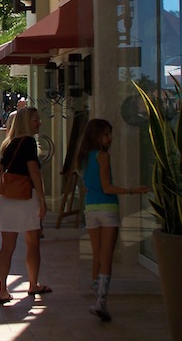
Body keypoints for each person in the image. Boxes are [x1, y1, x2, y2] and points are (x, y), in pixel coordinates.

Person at [75, 119, 148, 321]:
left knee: (97, 254)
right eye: (106, 134)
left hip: (90, 209)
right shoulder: (102, 156)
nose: (110, 138)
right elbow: (108, 188)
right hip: (107, 208)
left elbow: (87, 184)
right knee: (107, 255)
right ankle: (101, 301)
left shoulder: (82, 158)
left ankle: (96, 295)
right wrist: (132, 190)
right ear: (97, 136)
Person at [0, 106, 51, 305]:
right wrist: (43, 199)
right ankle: (33, 283)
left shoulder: (8, 144)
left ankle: (2, 290)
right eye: (36, 119)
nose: (39, 122)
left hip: (8, 198)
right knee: (32, 243)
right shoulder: (28, 142)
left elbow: (2, 172)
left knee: (7, 246)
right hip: (26, 197)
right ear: (27, 122)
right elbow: (33, 171)